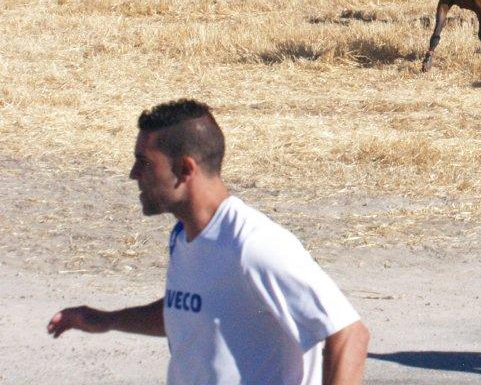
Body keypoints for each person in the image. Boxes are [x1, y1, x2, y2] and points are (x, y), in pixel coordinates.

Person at [46, 99, 369, 384]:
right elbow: (191, 311)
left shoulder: (254, 244)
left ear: (185, 169)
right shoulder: (184, 235)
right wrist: (108, 320)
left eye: (144, 162)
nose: (133, 174)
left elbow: (349, 334)